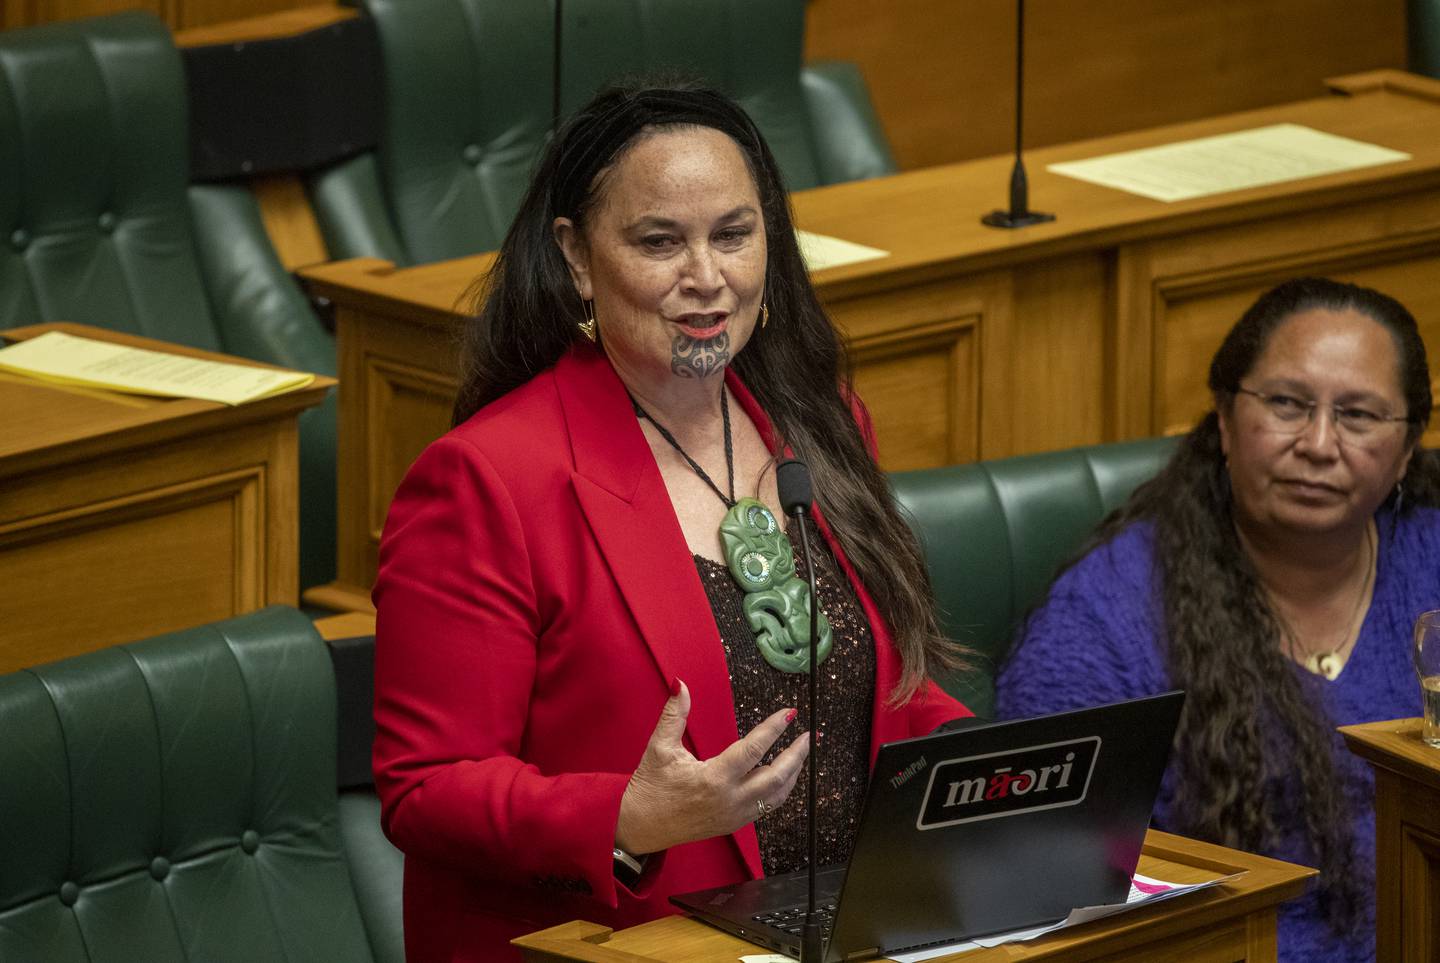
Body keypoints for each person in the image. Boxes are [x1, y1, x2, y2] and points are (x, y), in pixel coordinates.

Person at [371, 83, 970, 962]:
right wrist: (627, 817)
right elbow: (425, 788)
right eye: (660, 242)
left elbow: (878, 688)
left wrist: (979, 767)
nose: (707, 277)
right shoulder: (488, 479)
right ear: (576, 257)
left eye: (734, 234)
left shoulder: (818, 421)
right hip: (628, 944)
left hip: (855, 930)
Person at [996, 277, 1440, 962]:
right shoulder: (1105, 619)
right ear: (1226, 418)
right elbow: (1045, 881)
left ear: (1408, 447)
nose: (1320, 443)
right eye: (1288, 404)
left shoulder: (1429, 551)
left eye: (1358, 415)